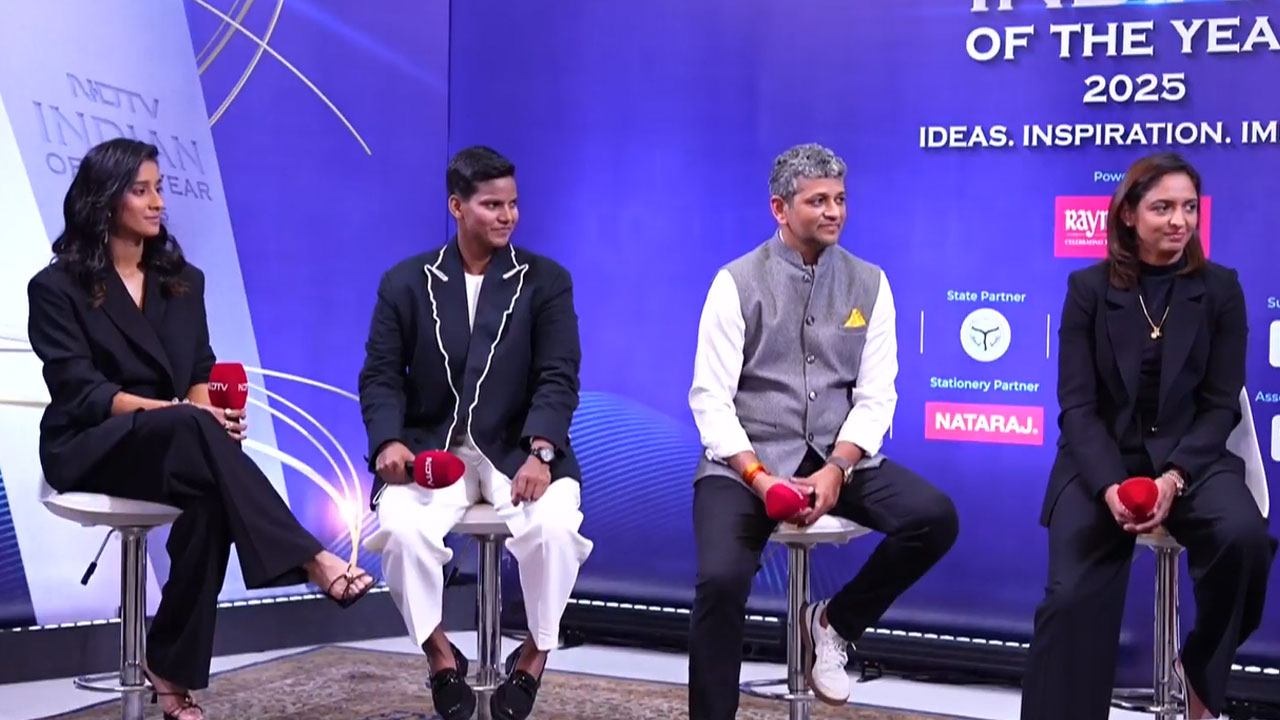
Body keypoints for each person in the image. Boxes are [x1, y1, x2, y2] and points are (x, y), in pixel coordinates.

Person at [27, 138, 374, 720]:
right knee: (192, 429)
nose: (158, 202)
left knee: (211, 498)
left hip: (171, 444)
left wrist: (209, 416)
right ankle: (310, 558)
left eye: (159, 188)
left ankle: (169, 669)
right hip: (90, 443)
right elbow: (82, 392)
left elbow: (198, 372)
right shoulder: (57, 288)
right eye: (141, 191)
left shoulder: (183, 280)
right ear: (105, 200)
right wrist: (185, 416)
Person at [687, 142, 959, 719]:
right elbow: (711, 399)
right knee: (720, 581)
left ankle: (834, 623)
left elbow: (877, 396)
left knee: (934, 519)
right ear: (780, 209)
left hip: (838, 457)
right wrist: (760, 478)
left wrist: (838, 467)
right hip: (744, 463)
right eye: (817, 201)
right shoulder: (735, 282)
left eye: (839, 199)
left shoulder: (871, 283)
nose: (833, 211)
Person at [1020, 152, 1277, 720]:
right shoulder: (1087, 289)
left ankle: (1199, 669)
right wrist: (1111, 485)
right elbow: (1077, 406)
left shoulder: (1221, 289)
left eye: (1189, 207)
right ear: (1129, 215)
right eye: (1163, 208)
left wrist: (1174, 477)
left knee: (1244, 540)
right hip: (1099, 461)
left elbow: (1220, 405)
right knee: (1070, 600)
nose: (1179, 221)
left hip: (1193, 460)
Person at [359, 145, 593, 720]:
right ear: (457, 207)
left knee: (555, 529)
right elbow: (381, 375)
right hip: (433, 453)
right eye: (492, 205)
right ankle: (440, 657)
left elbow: (559, 375)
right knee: (401, 529)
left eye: (513, 204)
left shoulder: (546, 281)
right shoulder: (405, 282)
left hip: (519, 450)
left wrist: (542, 450)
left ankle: (534, 656)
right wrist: (388, 441)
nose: (507, 216)